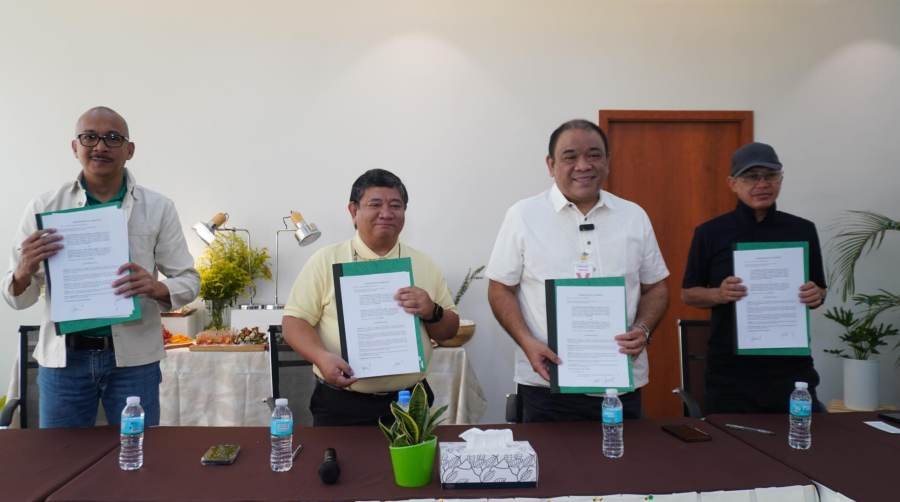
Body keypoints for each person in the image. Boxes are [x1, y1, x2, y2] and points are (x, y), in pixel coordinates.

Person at [2, 106, 200, 428]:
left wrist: (158, 287)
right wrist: (24, 270)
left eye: (112, 138)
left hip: (134, 361)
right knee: (61, 454)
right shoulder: (45, 207)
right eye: (89, 137)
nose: (100, 146)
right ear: (75, 147)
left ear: (129, 150)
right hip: (64, 362)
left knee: (137, 451)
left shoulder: (158, 208)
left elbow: (189, 280)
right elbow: (17, 298)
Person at [486, 119, 669, 421]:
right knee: (551, 455)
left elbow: (656, 287)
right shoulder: (523, 216)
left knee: (624, 454)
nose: (583, 165)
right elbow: (499, 288)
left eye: (594, 155)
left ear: (607, 161)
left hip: (619, 386)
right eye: (570, 156)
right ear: (551, 164)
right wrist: (527, 342)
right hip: (546, 384)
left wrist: (643, 329)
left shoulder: (633, 216)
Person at [282, 169, 459, 426]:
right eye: (375, 204)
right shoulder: (326, 260)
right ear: (353, 211)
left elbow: (449, 330)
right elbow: (294, 323)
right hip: (341, 404)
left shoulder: (423, 263)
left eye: (395, 205)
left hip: (409, 403)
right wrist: (321, 357)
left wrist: (433, 311)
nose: (386, 213)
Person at [681, 141, 827, 414]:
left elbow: (820, 290)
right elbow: (688, 293)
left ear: (780, 179)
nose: (762, 184)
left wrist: (815, 294)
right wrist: (719, 294)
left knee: (802, 437)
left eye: (770, 176)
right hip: (730, 371)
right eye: (751, 177)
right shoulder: (710, 233)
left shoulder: (802, 230)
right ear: (733, 183)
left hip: (790, 367)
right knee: (730, 441)